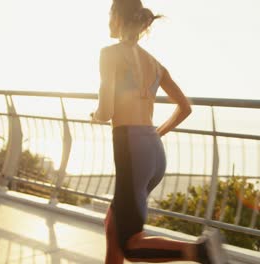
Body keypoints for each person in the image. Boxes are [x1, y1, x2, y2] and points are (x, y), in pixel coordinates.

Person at [91, 0, 227, 263]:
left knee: (130, 245)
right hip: (153, 152)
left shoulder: (109, 54)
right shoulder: (155, 64)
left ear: (118, 16)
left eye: (110, 12)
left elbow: (106, 111)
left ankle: (199, 250)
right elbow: (185, 107)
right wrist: (156, 134)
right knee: (114, 226)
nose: (108, 18)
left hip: (131, 151)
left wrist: (94, 117)